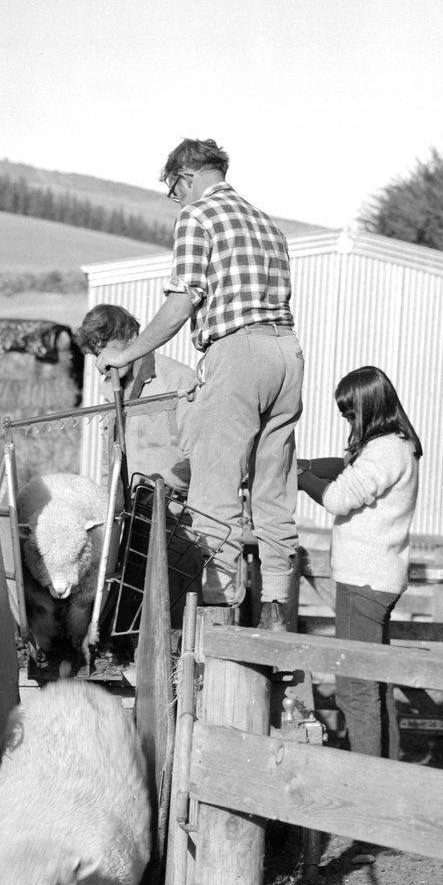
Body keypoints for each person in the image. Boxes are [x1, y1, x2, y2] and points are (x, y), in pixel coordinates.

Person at [95, 138, 304, 629]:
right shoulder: (268, 223)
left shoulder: (197, 217)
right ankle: (275, 609)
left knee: (215, 485)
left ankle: (215, 613)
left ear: (185, 177)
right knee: (274, 487)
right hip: (287, 351)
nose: (177, 201)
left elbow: (182, 301)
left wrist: (129, 351)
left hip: (237, 352)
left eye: (174, 191)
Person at [297, 366, 422, 863]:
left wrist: (300, 475)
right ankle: (388, 801)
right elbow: (347, 467)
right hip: (375, 578)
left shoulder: (386, 449)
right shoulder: (393, 443)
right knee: (376, 685)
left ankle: (370, 815)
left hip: (365, 582)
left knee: (355, 690)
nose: (346, 417)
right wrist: (308, 462)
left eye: (350, 410)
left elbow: (338, 494)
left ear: (368, 405)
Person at [77, 302, 196, 496]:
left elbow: (199, 456)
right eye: (98, 355)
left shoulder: (177, 379)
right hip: (132, 518)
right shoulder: (109, 392)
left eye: (110, 350)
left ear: (131, 337)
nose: (103, 362)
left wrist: (155, 484)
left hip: (177, 514)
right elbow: (111, 466)